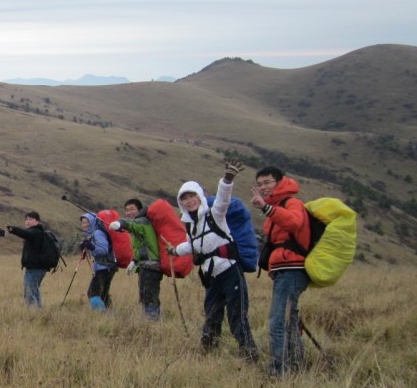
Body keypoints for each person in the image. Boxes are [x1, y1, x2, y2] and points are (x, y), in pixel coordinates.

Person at [166, 161, 259, 361]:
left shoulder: (214, 215)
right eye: (185, 198)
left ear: (199, 197)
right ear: (180, 203)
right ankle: (208, 353)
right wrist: (174, 250)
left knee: (237, 316)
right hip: (211, 277)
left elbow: (223, 200)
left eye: (192, 196)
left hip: (230, 271)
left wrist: (227, 180)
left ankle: (249, 354)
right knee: (212, 315)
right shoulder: (191, 226)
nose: (189, 201)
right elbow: (191, 245)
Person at [250, 166, 312, 376]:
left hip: (291, 270)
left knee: (277, 322)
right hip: (284, 271)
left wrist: (266, 208)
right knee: (289, 321)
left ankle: (280, 371)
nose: (263, 187)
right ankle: (295, 365)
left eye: (267, 182)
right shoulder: (276, 207)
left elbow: (294, 222)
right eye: (259, 184)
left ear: (280, 182)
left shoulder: (292, 203)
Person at [110, 198, 162, 320]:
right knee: (145, 295)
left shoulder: (143, 221)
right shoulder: (141, 223)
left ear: (139, 209)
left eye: (132, 209)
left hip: (151, 266)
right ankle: (150, 320)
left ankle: (153, 322)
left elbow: (132, 224)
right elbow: (141, 246)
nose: (129, 212)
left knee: (149, 296)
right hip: (145, 265)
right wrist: (134, 261)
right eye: (127, 210)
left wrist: (120, 223)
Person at [5, 211, 53, 308]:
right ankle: (39, 312)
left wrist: (13, 229)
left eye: (30, 219)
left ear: (38, 221)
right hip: (39, 268)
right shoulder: (39, 232)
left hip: (34, 268)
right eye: (26, 219)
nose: (27, 221)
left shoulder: (35, 232)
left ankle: (33, 315)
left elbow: (25, 233)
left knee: (29, 293)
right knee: (34, 291)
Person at [79, 212, 116, 310]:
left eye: (87, 222)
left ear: (92, 222)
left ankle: (101, 315)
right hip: (107, 266)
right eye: (83, 222)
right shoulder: (93, 233)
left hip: (104, 266)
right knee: (103, 292)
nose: (84, 224)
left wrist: (91, 247)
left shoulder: (97, 233)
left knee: (93, 292)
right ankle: (110, 314)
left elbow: (104, 250)